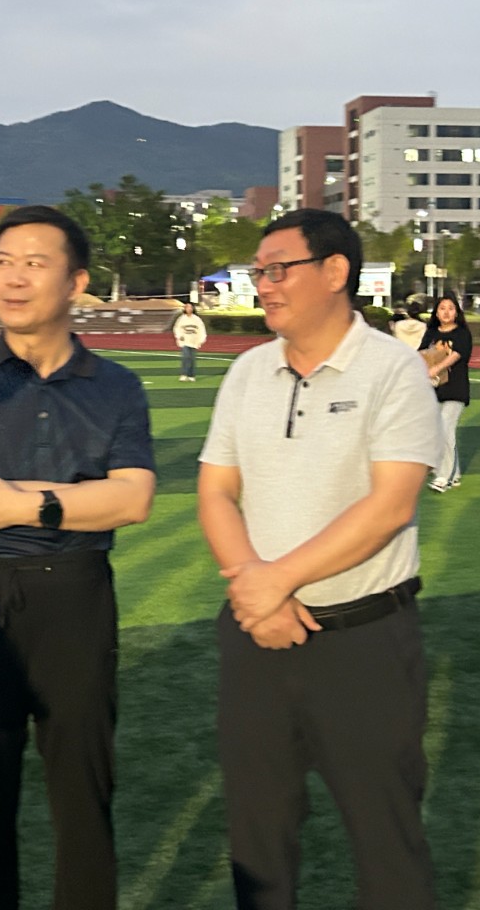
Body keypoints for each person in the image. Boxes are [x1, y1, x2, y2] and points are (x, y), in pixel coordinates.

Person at [198, 208, 442, 909]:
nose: (264, 285)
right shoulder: (248, 372)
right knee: (258, 836)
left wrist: (275, 581)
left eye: (279, 269)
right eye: (259, 272)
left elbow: (390, 504)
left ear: (336, 271)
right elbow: (216, 491)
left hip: (363, 641)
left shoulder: (392, 369)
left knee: (386, 837)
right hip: (255, 638)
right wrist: (257, 596)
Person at [0, 205, 156, 910]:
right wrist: (76, 498)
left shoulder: (116, 386)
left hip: (77, 597)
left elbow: (133, 498)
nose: (13, 278)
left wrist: (17, 502)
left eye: (34, 263)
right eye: (3, 263)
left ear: (76, 282)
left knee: (84, 792)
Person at [420, 294, 474, 493]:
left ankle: (445, 476)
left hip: (455, 389)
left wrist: (437, 367)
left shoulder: (462, 334)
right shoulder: (431, 333)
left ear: (457, 312)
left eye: (451, 308)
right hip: (434, 390)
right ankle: (454, 473)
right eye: (442, 308)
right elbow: (422, 353)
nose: (446, 312)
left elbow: (457, 355)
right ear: (436, 312)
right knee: (437, 431)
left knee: (445, 428)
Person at [174, 301, 208, 381]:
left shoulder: (197, 319)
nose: (189, 309)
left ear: (193, 308)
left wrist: (201, 340)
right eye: (187, 307)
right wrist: (179, 336)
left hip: (194, 341)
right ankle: (184, 374)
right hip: (185, 341)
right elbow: (177, 328)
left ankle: (191, 375)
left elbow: (201, 330)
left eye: (190, 307)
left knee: (192, 359)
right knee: (186, 357)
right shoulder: (182, 318)